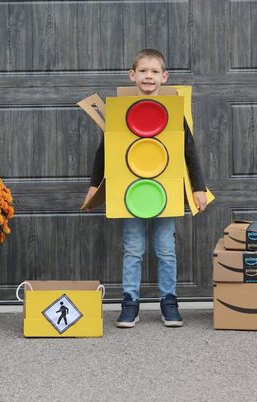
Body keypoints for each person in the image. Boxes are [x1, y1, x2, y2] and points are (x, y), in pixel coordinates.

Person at [82, 49, 207, 329]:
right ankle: (130, 303)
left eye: (154, 72)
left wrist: (199, 188)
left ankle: (169, 302)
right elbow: (105, 151)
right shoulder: (119, 112)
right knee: (133, 249)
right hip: (131, 192)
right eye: (143, 71)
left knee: (165, 249)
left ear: (164, 77)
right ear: (132, 75)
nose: (148, 76)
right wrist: (94, 186)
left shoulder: (174, 112)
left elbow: (190, 152)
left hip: (165, 190)